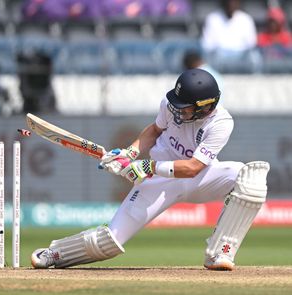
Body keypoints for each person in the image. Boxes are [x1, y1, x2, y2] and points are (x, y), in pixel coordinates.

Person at [31, 69, 270, 271]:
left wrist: (147, 166)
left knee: (250, 177)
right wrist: (130, 153)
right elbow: (154, 131)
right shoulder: (170, 105)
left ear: (205, 107)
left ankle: (220, 253)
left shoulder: (221, 123)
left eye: (185, 108)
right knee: (109, 242)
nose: (177, 111)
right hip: (157, 182)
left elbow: (193, 167)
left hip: (198, 178)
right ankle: (56, 253)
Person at [200, 0, 260, 72]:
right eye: (229, 1)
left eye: (234, 1)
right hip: (219, 55)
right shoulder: (212, 18)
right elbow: (207, 45)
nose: (231, 4)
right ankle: (216, 81)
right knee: (211, 59)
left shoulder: (246, 18)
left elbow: (252, 43)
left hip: (242, 55)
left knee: (255, 57)